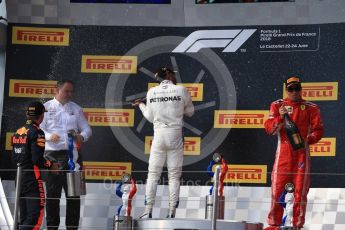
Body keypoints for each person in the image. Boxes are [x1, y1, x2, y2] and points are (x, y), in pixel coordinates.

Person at [132, 67, 194, 218]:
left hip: (158, 137)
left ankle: (147, 211)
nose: (175, 77)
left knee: (153, 175)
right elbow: (190, 112)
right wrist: (179, 106)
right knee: (174, 176)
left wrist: (141, 105)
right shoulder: (181, 90)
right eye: (173, 74)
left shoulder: (151, 92)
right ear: (168, 74)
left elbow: (149, 116)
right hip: (175, 136)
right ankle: (172, 211)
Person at [264, 76, 324, 230]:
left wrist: (308, 140)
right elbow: (269, 128)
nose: (294, 92)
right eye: (291, 89)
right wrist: (280, 117)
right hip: (283, 154)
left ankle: (297, 226)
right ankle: (274, 225)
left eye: (297, 88)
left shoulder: (311, 107)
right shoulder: (277, 105)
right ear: (286, 90)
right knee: (277, 190)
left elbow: (318, 130)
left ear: (301, 89)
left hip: (301, 155)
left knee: (300, 193)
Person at [40, 80, 92, 230]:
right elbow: (39, 130)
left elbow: (87, 129)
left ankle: (72, 228)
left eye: (71, 92)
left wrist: (81, 137)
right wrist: (50, 136)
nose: (69, 94)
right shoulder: (45, 108)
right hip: (51, 157)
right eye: (66, 91)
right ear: (56, 90)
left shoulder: (76, 109)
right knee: (52, 197)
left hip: (73, 158)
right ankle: (52, 227)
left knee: (74, 197)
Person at [12, 101, 60, 230]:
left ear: (27, 114)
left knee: (24, 217)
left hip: (19, 177)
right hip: (32, 178)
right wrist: (50, 164)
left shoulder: (18, 132)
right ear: (41, 116)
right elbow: (37, 159)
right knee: (35, 217)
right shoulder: (37, 132)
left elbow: (16, 158)